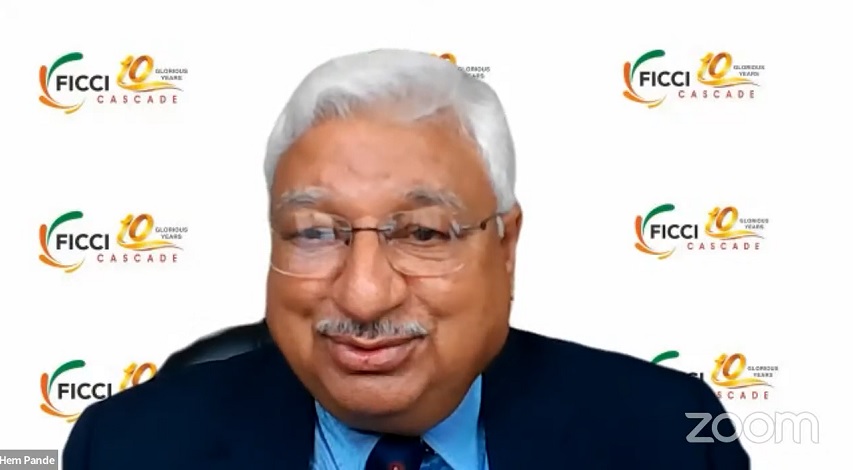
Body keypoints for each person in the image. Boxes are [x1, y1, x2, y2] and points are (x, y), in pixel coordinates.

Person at [63, 49, 750, 470]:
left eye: (422, 234)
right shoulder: (126, 449)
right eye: (314, 233)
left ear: (505, 246)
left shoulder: (671, 436)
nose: (364, 296)